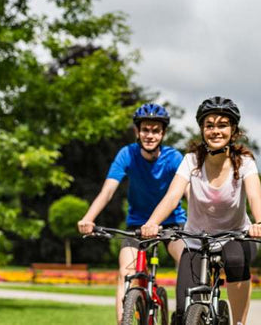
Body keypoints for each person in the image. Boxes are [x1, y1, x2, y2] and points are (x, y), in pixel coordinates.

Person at [141, 97, 261, 325]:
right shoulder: (191, 161)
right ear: (202, 130)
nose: (215, 131)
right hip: (196, 240)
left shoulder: (244, 162)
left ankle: (239, 322)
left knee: (234, 258)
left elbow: (255, 197)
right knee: (182, 313)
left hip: (237, 236)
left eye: (222, 125)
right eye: (209, 125)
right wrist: (152, 222)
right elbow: (172, 197)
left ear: (233, 130)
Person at [77, 103, 187, 324]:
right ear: (137, 131)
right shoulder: (127, 154)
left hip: (173, 223)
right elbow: (108, 190)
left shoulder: (173, 157)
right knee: (126, 274)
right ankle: (123, 321)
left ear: (163, 133)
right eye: (145, 129)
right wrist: (89, 217)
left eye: (156, 130)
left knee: (188, 260)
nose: (150, 135)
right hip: (137, 225)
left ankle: (185, 313)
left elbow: (188, 191)